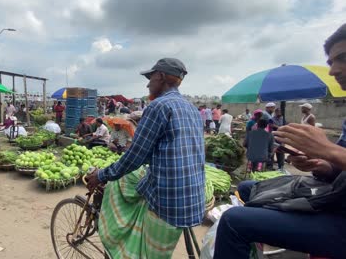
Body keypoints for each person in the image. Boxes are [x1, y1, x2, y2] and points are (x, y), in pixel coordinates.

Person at [213, 23, 346, 259]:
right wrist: (322, 164)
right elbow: (338, 167)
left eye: (342, 58)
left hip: (340, 217)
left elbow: (336, 155)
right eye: (331, 62)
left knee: (234, 220)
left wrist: (327, 150)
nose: (334, 70)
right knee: (248, 187)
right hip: (335, 194)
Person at [86, 58, 205, 258]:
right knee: (135, 184)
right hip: (194, 198)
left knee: (116, 185)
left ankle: (120, 240)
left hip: (168, 201)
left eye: (150, 78)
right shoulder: (191, 108)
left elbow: (135, 157)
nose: (148, 83)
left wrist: (102, 175)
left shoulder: (158, 106)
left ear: (160, 76)